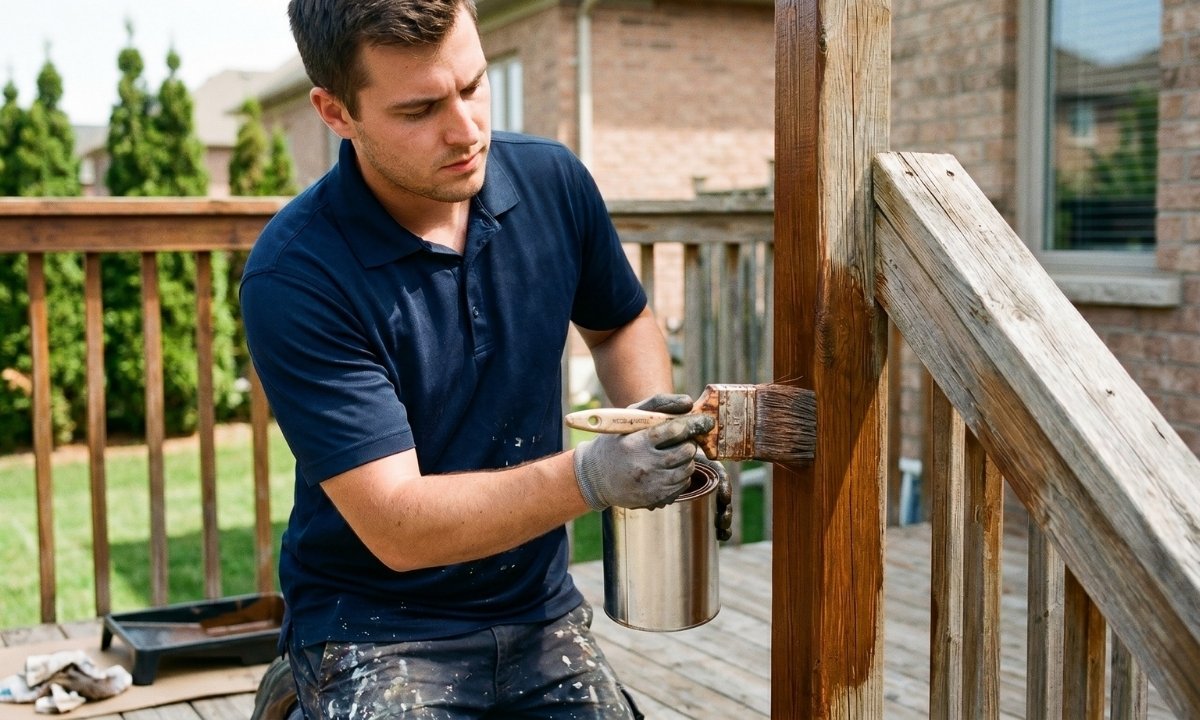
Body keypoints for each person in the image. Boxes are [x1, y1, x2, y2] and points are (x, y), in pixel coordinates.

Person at [241, 0, 730, 717]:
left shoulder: (553, 183)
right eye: (419, 110)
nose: (466, 130)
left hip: (538, 609)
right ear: (335, 111)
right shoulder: (296, 274)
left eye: (473, 85)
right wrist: (593, 474)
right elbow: (399, 524)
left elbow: (621, 322)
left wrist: (651, 442)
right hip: (376, 625)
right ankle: (302, 688)